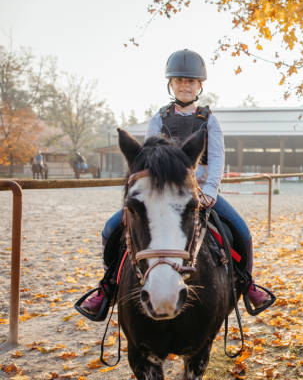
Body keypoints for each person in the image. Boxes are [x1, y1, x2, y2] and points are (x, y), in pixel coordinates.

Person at [79, 49, 272, 318]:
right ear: (170, 83)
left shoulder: (210, 121)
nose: (185, 86)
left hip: (201, 191)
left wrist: (210, 191)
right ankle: (107, 287)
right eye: (180, 80)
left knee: (241, 230)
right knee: (111, 228)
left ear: (200, 85)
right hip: (163, 192)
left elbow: (217, 158)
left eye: (191, 81)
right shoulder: (158, 119)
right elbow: (147, 157)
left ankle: (248, 284)